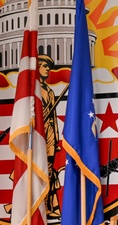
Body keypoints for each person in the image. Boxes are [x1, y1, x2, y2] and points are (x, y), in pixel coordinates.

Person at [38, 54, 62, 220]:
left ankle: (48, 206)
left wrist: (57, 139)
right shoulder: (31, 90)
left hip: (50, 136)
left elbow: (53, 117)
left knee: (50, 171)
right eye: (45, 66)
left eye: (49, 67)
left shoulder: (50, 91)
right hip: (38, 136)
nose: (48, 69)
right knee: (38, 169)